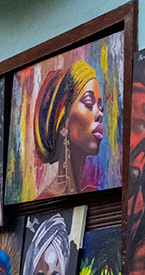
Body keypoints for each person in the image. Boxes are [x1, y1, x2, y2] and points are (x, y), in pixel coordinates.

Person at [35, 58, 106, 193]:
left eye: (101, 107)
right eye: (89, 103)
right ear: (62, 124)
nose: (100, 114)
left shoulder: (92, 192)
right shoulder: (46, 199)